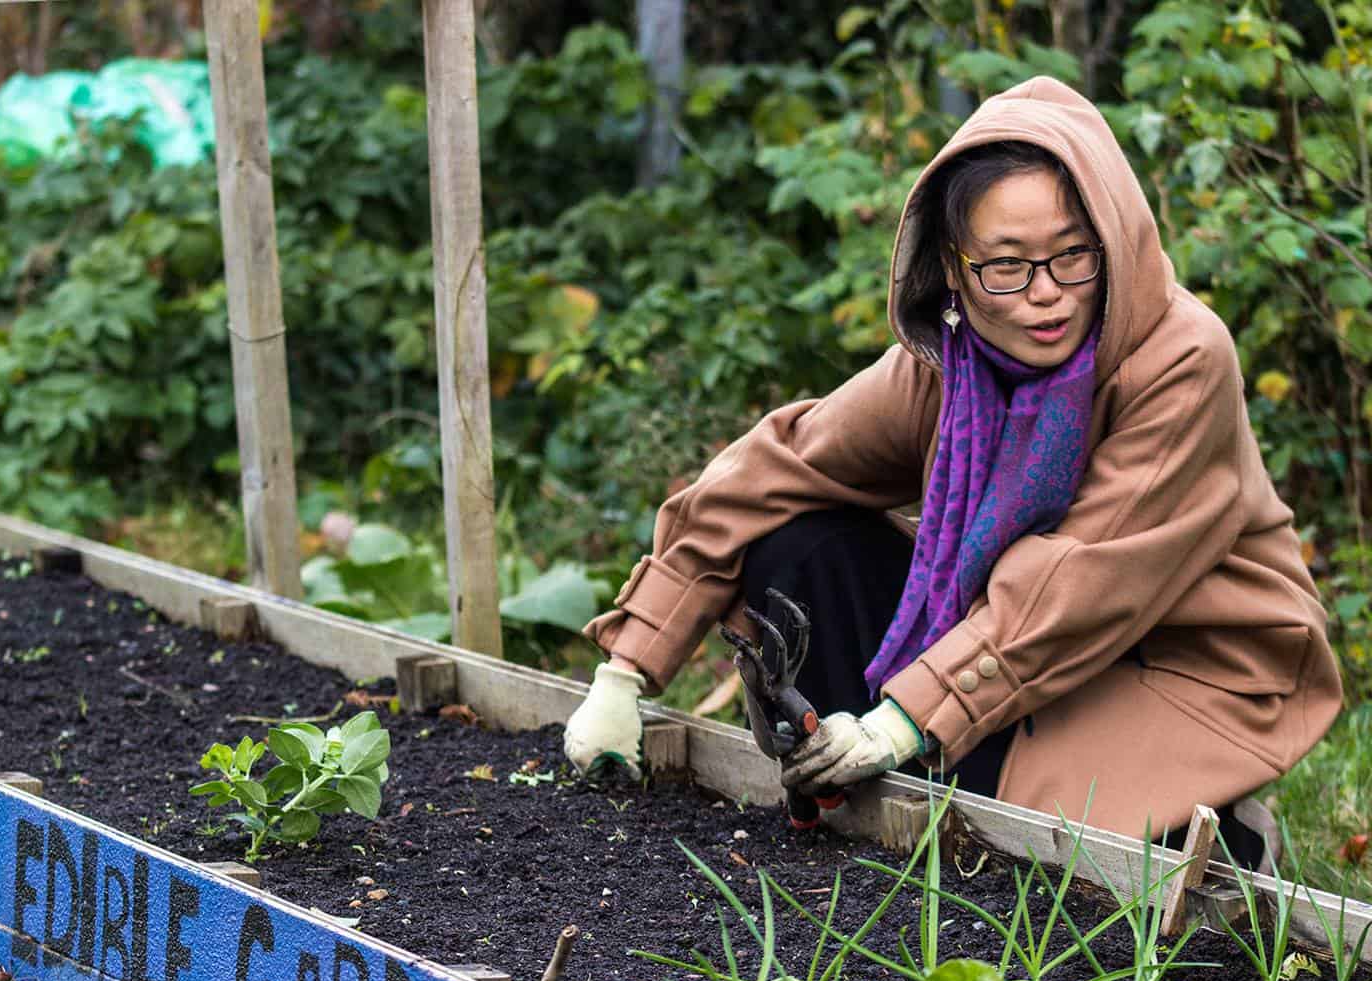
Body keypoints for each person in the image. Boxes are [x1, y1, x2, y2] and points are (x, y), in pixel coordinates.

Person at [561, 76, 1342, 866]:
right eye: (1006, 266)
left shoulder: (1181, 359)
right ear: (955, 269)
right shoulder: (949, 363)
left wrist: (901, 720)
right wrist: (625, 673)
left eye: (1073, 256)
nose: (1046, 296)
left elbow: (1075, 586)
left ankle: (1227, 833)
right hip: (996, 652)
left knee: (1055, 851)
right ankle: (856, 798)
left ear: (1113, 239)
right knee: (794, 547)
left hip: (1174, 660)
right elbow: (778, 464)